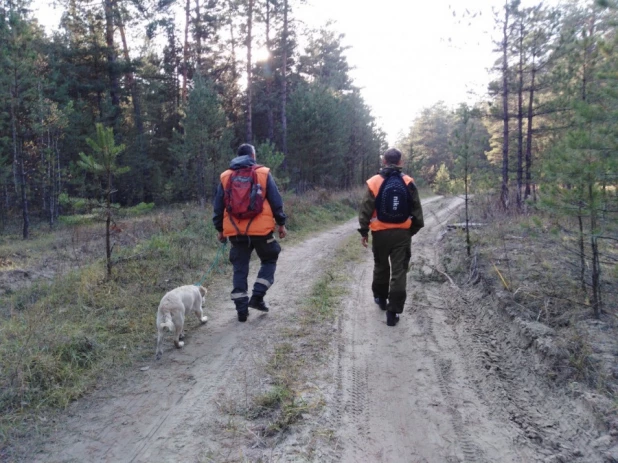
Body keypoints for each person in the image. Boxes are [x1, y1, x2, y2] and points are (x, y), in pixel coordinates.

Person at [213, 144, 287, 322]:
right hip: (261, 230)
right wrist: (281, 223)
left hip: (235, 230)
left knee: (240, 268)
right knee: (269, 259)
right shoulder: (263, 173)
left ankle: (241, 310)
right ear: (253, 155)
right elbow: (276, 201)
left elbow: (218, 206)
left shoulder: (225, 176)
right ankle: (257, 297)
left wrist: (220, 230)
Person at [358, 148, 424, 326]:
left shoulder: (374, 182)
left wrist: (364, 231)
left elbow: (365, 209)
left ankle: (380, 298)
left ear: (384, 161)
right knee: (399, 271)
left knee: (381, 266)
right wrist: (410, 231)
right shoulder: (408, 182)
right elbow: (418, 213)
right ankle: (393, 311)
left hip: (380, 233)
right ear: (401, 162)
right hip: (402, 234)